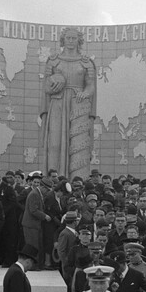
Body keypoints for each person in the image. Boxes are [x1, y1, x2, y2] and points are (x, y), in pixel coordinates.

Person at [40, 27, 98, 179]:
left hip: (78, 104)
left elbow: (91, 85)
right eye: (68, 38)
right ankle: (54, 178)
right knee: (54, 143)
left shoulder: (86, 62)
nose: (71, 41)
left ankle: (77, 180)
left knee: (78, 146)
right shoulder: (54, 61)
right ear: (63, 40)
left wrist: (85, 93)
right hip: (57, 103)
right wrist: (53, 84)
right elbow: (46, 85)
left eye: (74, 38)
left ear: (79, 41)